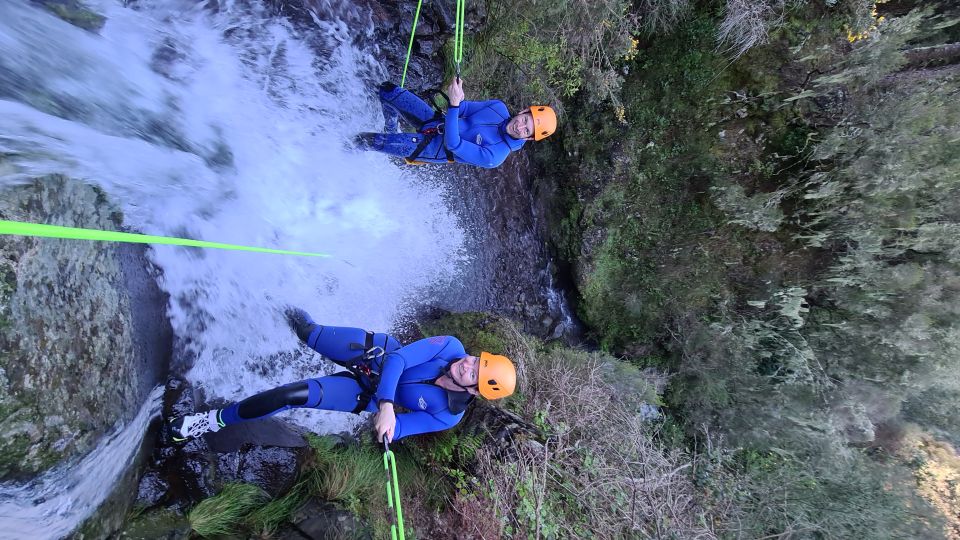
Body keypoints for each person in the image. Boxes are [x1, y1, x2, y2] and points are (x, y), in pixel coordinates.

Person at [168, 309, 517, 443]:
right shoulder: (450, 347)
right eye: (476, 359)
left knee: (289, 397)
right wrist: (388, 405)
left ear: (475, 390)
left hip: (361, 393)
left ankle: (210, 421)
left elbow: (398, 430)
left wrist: (386, 434)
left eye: (475, 371)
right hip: (373, 355)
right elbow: (397, 360)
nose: (468, 363)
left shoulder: (446, 416)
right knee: (306, 330)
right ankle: (261, 298)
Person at [353, 78, 557, 169]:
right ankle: (390, 126)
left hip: (431, 148)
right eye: (524, 120)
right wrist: (456, 98)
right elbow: (464, 108)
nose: (519, 127)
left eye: (526, 130)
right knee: (388, 90)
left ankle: (339, 151)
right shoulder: (498, 108)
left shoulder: (495, 156)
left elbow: (454, 144)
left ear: (529, 138)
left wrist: (454, 104)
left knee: (369, 140)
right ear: (523, 111)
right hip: (436, 121)